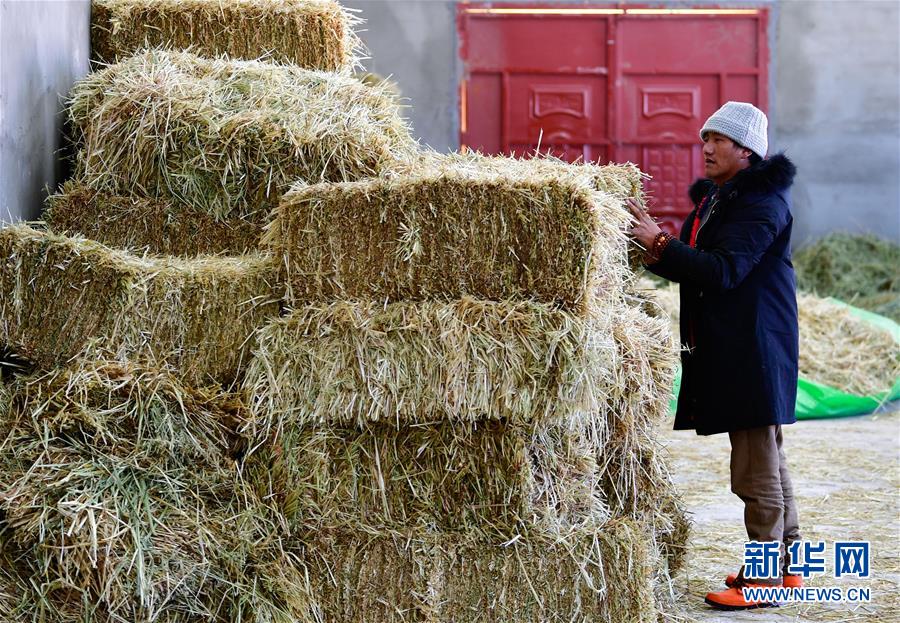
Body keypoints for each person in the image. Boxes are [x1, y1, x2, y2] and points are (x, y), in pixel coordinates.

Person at [627, 101, 801, 610]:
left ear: (745, 150)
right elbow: (698, 267)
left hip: (755, 346)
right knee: (767, 455)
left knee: (754, 469)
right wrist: (651, 246)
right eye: (704, 138)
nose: (705, 147)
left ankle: (767, 580)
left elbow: (723, 271)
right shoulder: (721, 200)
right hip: (741, 342)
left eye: (717, 140)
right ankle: (788, 567)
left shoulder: (760, 203)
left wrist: (660, 242)